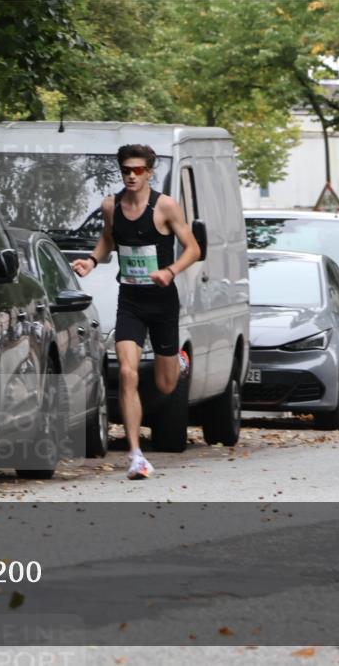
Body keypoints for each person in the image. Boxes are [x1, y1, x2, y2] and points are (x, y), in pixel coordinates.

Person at [71, 144, 201, 480]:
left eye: (138, 170)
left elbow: (193, 248)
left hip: (163, 301)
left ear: (149, 172)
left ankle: (178, 361)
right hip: (130, 301)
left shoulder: (165, 206)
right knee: (128, 373)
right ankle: (136, 456)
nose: (131, 176)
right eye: (126, 170)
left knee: (166, 385)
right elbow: (108, 239)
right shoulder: (111, 206)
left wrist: (170, 271)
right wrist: (92, 260)